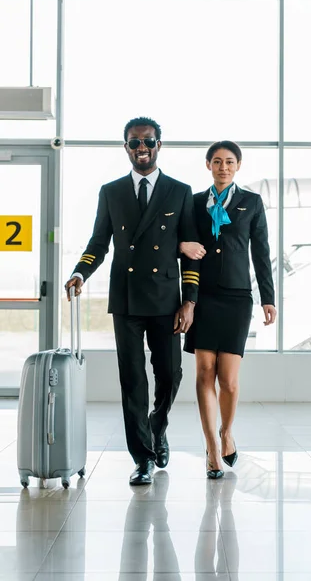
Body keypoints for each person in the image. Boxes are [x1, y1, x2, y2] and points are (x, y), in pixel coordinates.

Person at [65, 117, 200, 486]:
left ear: (159, 145)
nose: (142, 148)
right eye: (134, 143)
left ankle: (158, 423)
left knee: (170, 374)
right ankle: (142, 457)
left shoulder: (179, 191)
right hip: (125, 299)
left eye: (148, 141)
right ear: (126, 148)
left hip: (167, 299)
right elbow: (98, 243)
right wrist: (80, 272)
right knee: (133, 381)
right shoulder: (111, 192)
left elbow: (190, 251)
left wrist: (189, 301)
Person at [180, 140, 276, 479]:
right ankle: (211, 449)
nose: (223, 167)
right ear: (208, 165)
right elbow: (182, 246)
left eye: (229, 162)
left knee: (229, 381)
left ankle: (225, 434)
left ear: (238, 166)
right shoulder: (192, 204)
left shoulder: (251, 202)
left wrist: (269, 297)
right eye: (217, 161)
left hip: (237, 297)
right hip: (202, 295)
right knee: (204, 373)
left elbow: (261, 252)